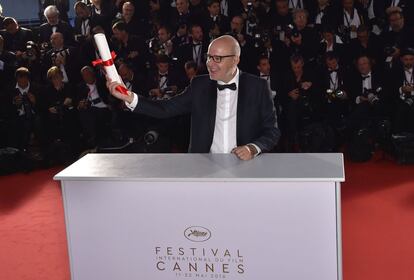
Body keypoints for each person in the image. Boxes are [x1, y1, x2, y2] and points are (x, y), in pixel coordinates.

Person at [107, 35, 280, 160]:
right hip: (203, 165)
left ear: (235, 60)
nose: (210, 63)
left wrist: (253, 148)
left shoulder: (257, 86)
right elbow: (165, 108)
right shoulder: (199, 85)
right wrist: (129, 97)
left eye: (217, 58)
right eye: (209, 57)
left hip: (245, 167)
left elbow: (272, 131)